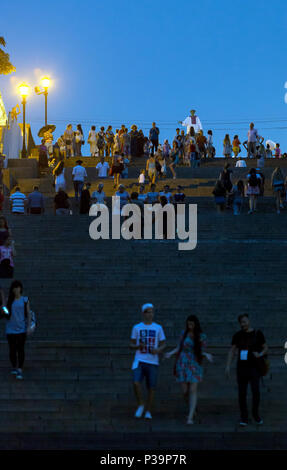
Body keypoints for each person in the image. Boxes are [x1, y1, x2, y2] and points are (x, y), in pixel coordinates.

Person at [165, 315, 213, 424]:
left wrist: (206, 355)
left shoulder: (202, 336)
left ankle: (190, 417)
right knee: (185, 391)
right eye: (188, 324)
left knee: (193, 390)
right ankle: (192, 407)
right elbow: (179, 347)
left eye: (192, 324)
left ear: (196, 324)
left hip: (194, 363)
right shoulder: (184, 334)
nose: (190, 326)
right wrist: (170, 353)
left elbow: (201, 350)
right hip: (182, 362)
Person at [225, 314, 268, 426]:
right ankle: (244, 417)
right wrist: (228, 365)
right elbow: (232, 350)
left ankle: (255, 414)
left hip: (254, 367)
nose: (243, 324)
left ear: (249, 321)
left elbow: (266, 347)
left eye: (244, 321)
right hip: (242, 368)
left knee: (255, 391)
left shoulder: (257, 333)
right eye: (241, 322)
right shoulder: (237, 335)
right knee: (242, 393)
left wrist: (260, 354)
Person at [130, 303, 166, 419]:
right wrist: (137, 346)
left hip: (153, 361)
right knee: (136, 382)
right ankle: (141, 404)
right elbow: (131, 344)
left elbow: (163, 344)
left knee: (151, 387)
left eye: (152, 312)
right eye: (148, 312)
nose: (150, 314)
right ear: (143, 313)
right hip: (139, 359)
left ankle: (148, 411)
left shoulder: (158, 327)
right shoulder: (137, 327)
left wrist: (158, 350)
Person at [5, 280, 32, 380]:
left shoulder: (25, 300)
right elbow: (6, 313)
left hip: (22, 329)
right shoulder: (9, 300)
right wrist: (3, 306)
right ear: (12, 289)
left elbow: (28, 314)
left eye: (18, 287)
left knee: (20, 349)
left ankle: (20, 369)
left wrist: (28, 326)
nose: (16, 289)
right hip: (10, 329)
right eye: (14, 287)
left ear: (21, 288)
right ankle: (14, 367)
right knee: (12, 350)